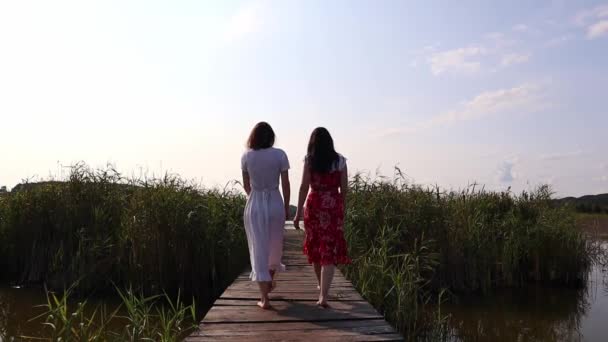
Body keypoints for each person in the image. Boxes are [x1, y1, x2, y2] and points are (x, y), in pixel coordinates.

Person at [293, 127, 351, 308]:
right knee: (328, 250)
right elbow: (344, 189)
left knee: (316, 248)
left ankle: (321, 289)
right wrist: (343, 210)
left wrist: (297, 214)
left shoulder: (309, 161)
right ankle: (323, 295)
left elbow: (303, 187)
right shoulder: (340, 161)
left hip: (314, 205)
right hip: (333, 206)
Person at [241, 122, 291, 309]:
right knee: (275, 247)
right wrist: (286, 207)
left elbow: (247, 185)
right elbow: (285, 184)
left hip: (254, 203)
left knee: (258, 248)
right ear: (271, 136)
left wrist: (255, 198)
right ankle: (269, 281)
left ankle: (265, 299)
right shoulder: (280, 155)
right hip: (275, 203)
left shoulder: (246, 156)